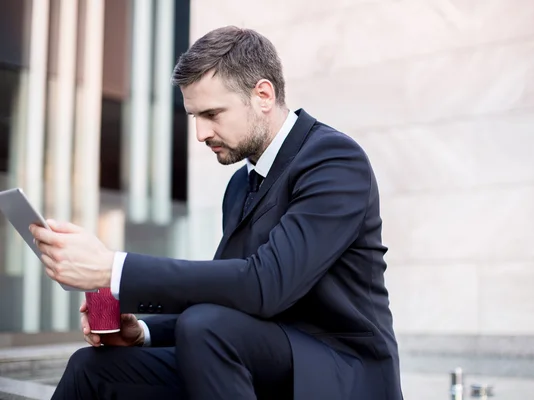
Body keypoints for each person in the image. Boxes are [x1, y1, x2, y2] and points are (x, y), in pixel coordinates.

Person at [31, 26, 403, 400]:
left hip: (338, 370)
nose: (200, 133)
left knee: (205, 325)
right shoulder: (241, 185)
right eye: (194, 115)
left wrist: (113, 269)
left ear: (262, 95)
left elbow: (268, 285)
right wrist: (142, 331)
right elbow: (228, 293)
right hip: (257, 356)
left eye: (212, 113)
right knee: (92, 369)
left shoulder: (334, 160)